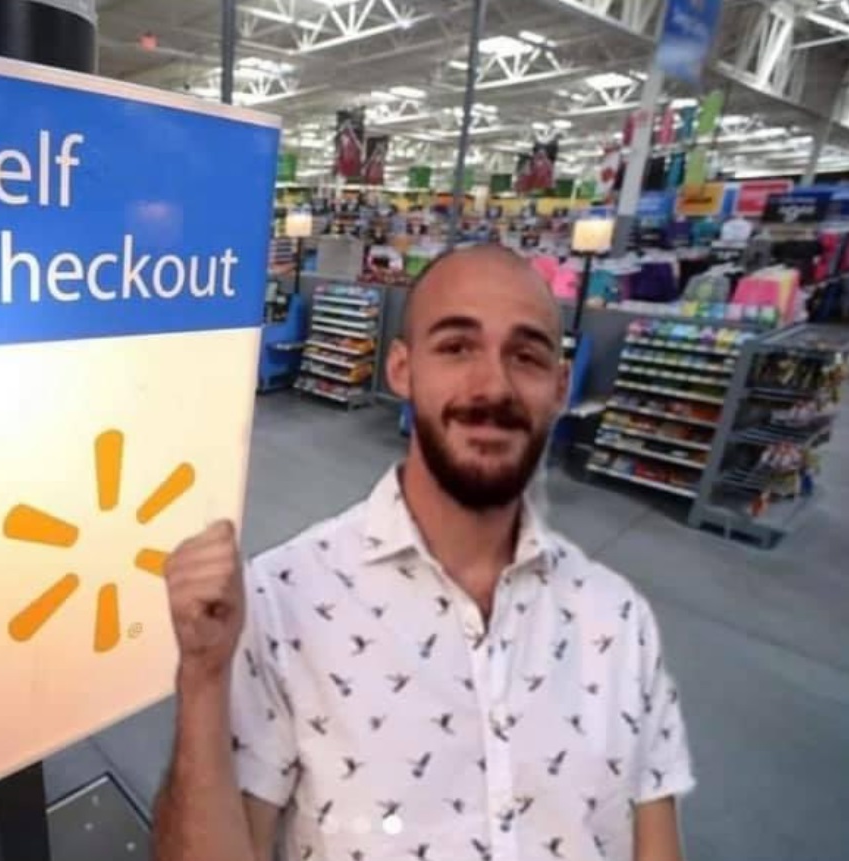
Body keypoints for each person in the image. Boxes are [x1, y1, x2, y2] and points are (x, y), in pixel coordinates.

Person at [153, 245, 694, 861]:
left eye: (526, 355)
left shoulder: (622, 624)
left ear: (559, 389)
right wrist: (201, 679)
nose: (493, 385)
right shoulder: (282, 604)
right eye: (456, 347)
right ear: (402, 369)